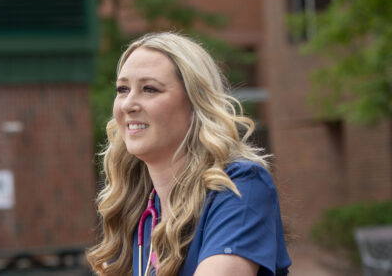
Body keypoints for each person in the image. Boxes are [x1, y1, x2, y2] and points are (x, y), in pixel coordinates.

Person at [86, 32, 291, 276]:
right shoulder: (139, 212)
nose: (128, 104)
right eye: (122, 89)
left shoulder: (241, 186)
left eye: (150, 89)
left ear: (196, 104)